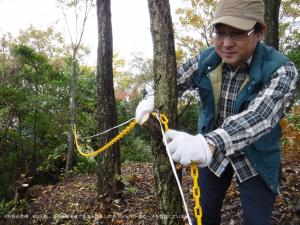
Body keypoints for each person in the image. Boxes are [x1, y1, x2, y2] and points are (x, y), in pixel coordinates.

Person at [135, 0, 299, 224]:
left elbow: (262, 115)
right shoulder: (208, 59)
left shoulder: (281, 69)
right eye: (220, 33)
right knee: (205, 215)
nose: (226, 44)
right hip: (212, 155)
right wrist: (150, 97)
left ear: (260, 32)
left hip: (255, 156)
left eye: (238, 34)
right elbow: (172, 80)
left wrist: (208, 143)